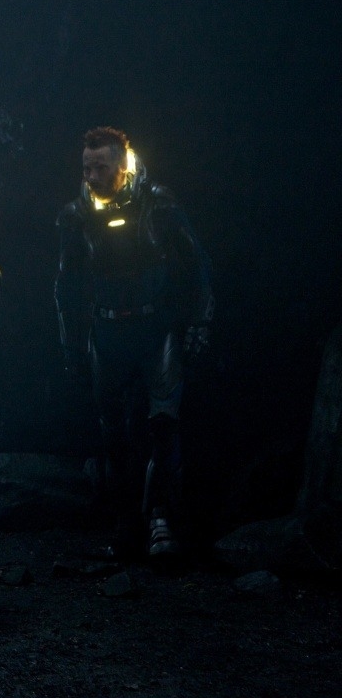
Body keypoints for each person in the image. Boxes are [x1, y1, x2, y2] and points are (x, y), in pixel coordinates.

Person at [54, 126, 213, 560]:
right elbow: (66, 285)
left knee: (163, 425)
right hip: (107, 333)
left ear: (122, 167)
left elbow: (196, 265)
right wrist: (72, 345)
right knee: (114, 434)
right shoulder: (76, 216)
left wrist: (199, 322)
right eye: (87, 168)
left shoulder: (158, 204)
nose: (92, 176)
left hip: (155, 328)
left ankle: (161, 518)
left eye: (100, 167)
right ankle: (126, 522)